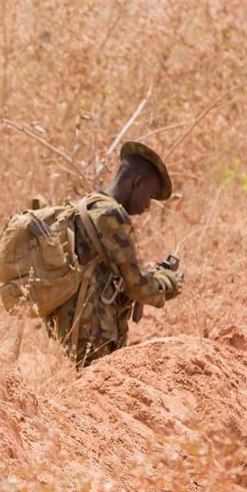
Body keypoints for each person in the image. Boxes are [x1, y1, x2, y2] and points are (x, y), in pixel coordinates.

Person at [46, 141, 183, 367]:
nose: (148, 205)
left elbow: (113, 272)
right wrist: (168, 283)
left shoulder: (90, 205)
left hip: (77, 326)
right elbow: (137, 286)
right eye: (149, 196)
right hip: (95, 332)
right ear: (137, 183)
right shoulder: (111, 215)